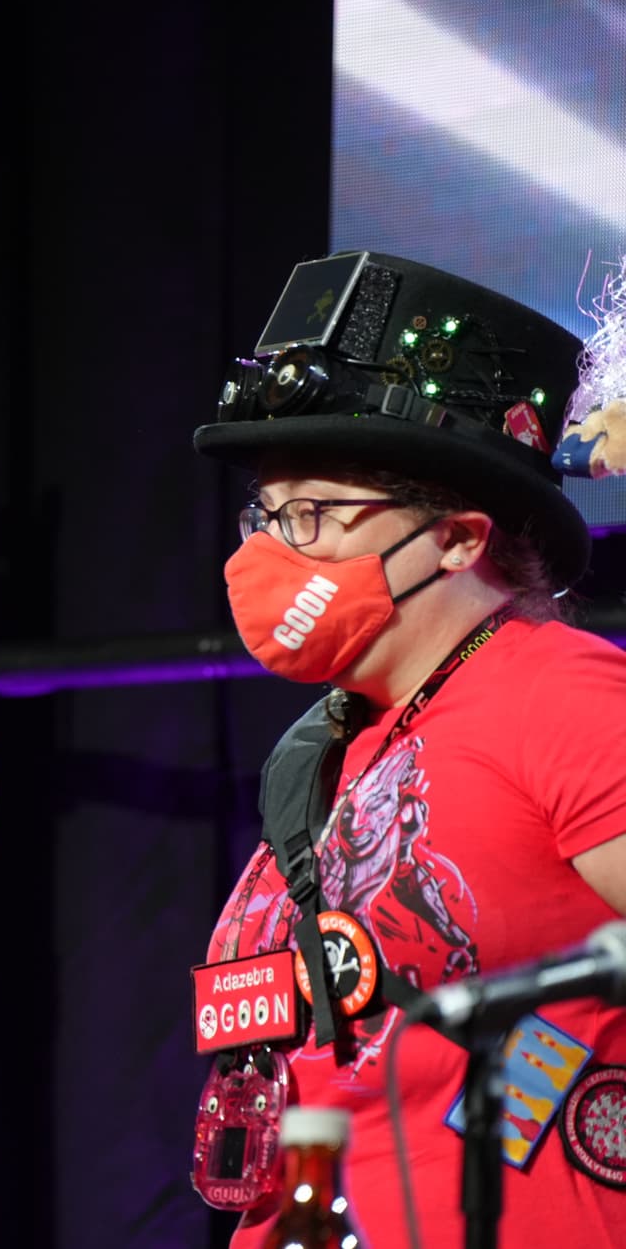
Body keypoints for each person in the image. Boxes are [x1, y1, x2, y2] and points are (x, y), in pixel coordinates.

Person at [192, 250, 625, 1246]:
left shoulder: (557, 692)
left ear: (458, 539)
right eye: (264, 516)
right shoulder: (324, 758)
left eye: (311, 516)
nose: (267, 556)